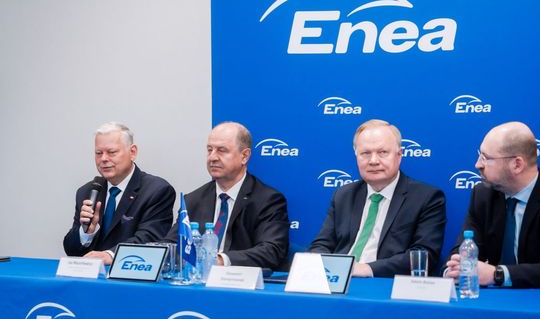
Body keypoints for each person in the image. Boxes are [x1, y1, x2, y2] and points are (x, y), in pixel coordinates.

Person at [309, 119, 446, 277]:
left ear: (399, 155)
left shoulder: (426, 197)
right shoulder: (344, 195)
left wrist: (366, 269)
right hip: (338, 279)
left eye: (382, 152)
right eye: (365, 153)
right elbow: (322, 244)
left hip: (385, 282)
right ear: (356, 156)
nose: (373, 161)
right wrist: (317, 263)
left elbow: (424, 254)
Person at [164, 121, 289, 271]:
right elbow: (171, 245)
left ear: (244, 156)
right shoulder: (193, 200)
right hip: (196, 279)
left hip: (238, 281)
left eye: (221, 150)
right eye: (209, 150)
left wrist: (220, 260)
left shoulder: (267, 200)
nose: (212, 157)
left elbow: (271, 250)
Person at [63, 122, 176, 265]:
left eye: (112, 152)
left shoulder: (156, 190)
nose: (104, 159)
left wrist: (110, 255)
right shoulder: (87, 192)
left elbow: (150, 239)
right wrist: (86, 233)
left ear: (132, 152)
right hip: (92, 275)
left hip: (132, 273)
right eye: (98, 153)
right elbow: (71, 251)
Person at [445, 121, 540, 288]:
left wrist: (498, 274)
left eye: (486, 158)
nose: (477, 165)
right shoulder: (483, 194)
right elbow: (466, 248)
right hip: (494, 299)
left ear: (517, 165)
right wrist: (454, 270)